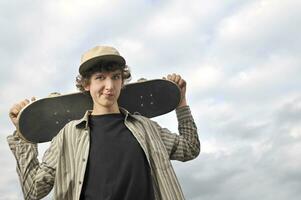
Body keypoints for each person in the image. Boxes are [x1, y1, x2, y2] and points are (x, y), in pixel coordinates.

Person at [7, 45, 200, 200]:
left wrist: (181, 103)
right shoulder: (69, 135)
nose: (109, 86)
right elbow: (34, 191)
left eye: (115, 77)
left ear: (122, 82)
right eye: (100, 78)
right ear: (86, 84)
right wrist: (23, 134)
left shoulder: (146, 127)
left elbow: (190, 148)